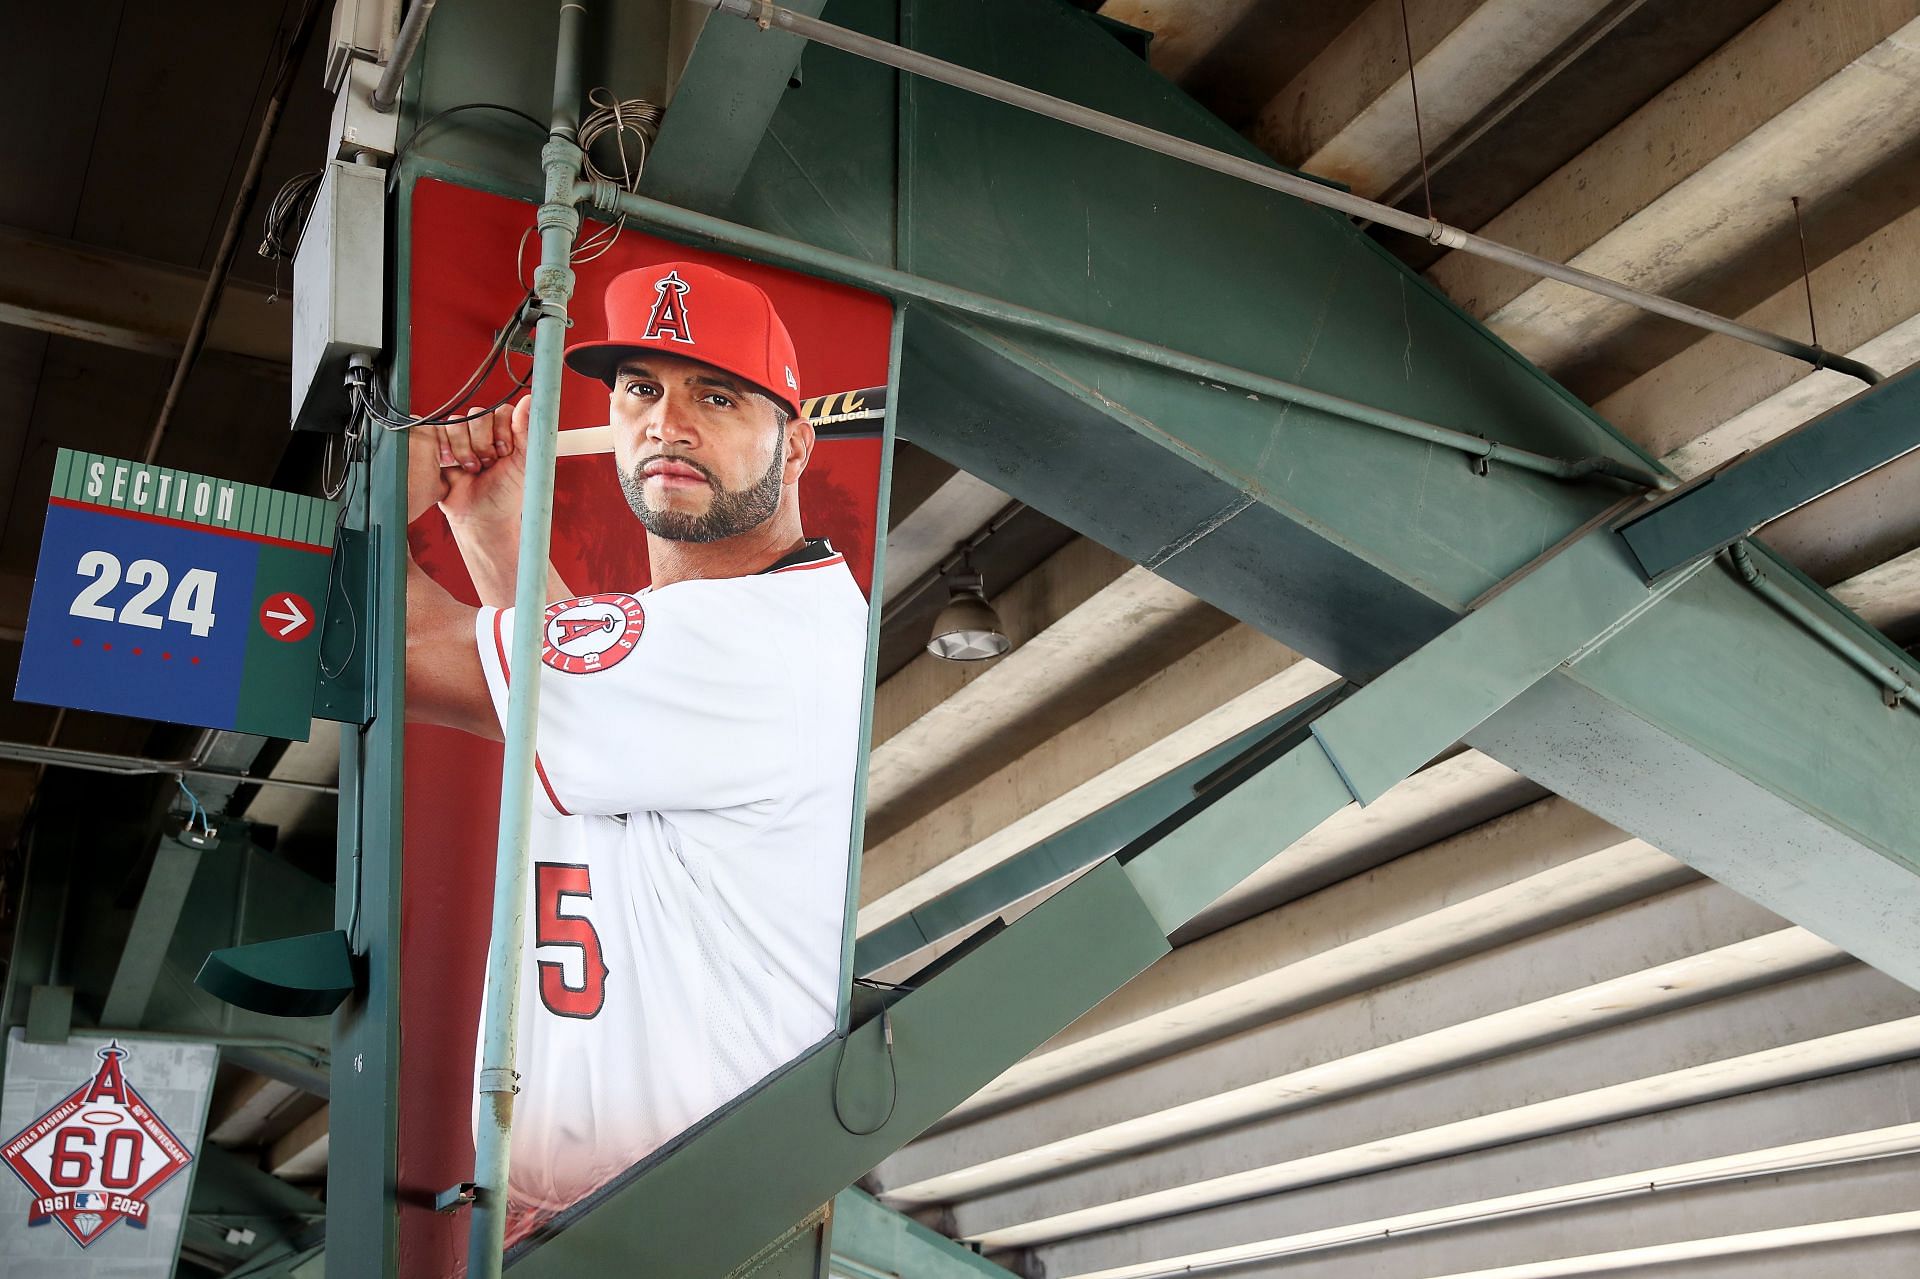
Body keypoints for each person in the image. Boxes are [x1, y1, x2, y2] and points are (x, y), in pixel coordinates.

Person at [404, 262, 869, 1232]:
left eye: (719, 395)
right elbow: (587, 719)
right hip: (619, 1204)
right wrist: (496, 535)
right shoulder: (700, 645)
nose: (668, 422)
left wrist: (379, 497)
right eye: (641, 390)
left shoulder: (759, 635)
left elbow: (396, 650)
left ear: (797, 444)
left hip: (679, 1218)